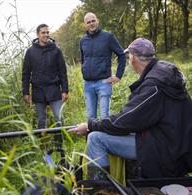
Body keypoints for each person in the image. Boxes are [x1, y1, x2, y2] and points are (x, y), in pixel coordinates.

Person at [70, 38, 192, 179]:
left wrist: (90, 125)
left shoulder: (153, 86)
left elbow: (126, 120)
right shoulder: (163, 73)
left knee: (95, 138)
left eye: (129, 57)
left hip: (164, 150)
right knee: (106, 132)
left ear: (133, 58)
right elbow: (133, 117)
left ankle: (100, 191)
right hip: (172, 142)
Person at [22, 24, 69, 147]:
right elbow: (26, 73)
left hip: (54, 90)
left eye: (47, 32)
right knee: (42, 121)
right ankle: (43, 146)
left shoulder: (56, 50)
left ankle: (59, 146)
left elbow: (62, 72)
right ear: (37, 35)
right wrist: (25, 92)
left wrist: (65, 90)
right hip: (38, 91)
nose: (46, 35)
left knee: (59, 118)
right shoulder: (30, 52)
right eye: (43, 33)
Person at [80, 12, 126, 120]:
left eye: (93, 21)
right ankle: (91, 137)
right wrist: (84, 70)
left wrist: (118, 75)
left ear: (97, 21)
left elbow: (122, 55)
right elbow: (83, 59)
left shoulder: (108, 37)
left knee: (105, 118)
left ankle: (104, 137)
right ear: (85, 24)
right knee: (91, 119)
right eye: (88, 22)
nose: (91, 23)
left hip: (104, 83)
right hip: (88, 84)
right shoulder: (82, 41)